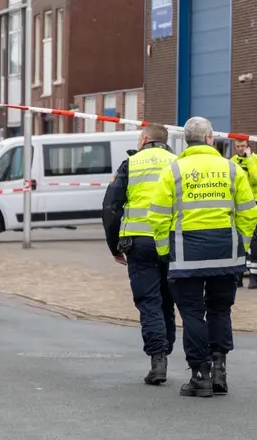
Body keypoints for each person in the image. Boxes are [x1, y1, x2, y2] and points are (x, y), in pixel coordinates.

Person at [148, 117, 257, 397]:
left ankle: (200, 375)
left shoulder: (173, 171)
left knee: (193, 313)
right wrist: (240, 245)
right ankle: (220, 369)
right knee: (220, 310)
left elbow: (157, 216)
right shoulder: (232, 169)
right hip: (225, 256)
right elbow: (249, 213)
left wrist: (164, 252)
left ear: (187, 140)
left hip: (186, 258)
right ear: (210, 138)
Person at [102, 123, 177, 385]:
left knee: (148, 301)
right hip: (172, 243)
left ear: (144, 139)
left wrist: (114, 246)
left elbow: (111, 207)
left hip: (140, 243)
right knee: (168, 299)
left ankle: (158, 360)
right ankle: (166, 347)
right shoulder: (178, 164)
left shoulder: (131, 163)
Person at [230, 139, 257, 289]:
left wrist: (249, 159)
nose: (240, 149)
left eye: (243, 146)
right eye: (238, 146)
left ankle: (254, 277)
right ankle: (238, 276)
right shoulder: (231, 161)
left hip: (254, 202)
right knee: (237, 239)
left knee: (253, 239)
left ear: (248, 146)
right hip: (237, 203)